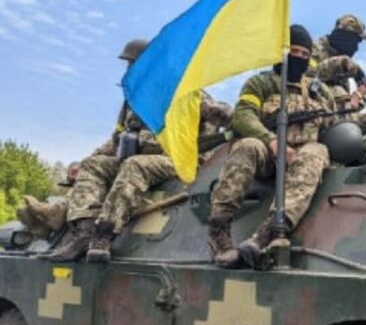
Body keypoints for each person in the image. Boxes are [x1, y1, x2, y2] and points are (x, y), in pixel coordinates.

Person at [42, 40, 231, 263]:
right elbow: (117, 139)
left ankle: (104, 235)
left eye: (133, 64)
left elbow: (221, 114)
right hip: (140, 159)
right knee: (94, 165)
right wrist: (85, 161)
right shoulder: (133, 100)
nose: (129, 69)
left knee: (134, 164)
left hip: (180, 160)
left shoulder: (183, 91)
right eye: (128, 65)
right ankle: (84, 232)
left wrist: (230, 116)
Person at [208, 24, 337, 269]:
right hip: (267, 153)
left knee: (317, 151)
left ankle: (265, 236)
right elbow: (243, 115)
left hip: (301, 159)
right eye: (294, 51)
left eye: (304, 54)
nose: (299, 57)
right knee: (247, 145)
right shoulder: (261, 83)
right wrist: (271, 140)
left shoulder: (320, 92)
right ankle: (219, 232)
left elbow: (336, 125)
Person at [310, 15, 366, 130]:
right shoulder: (315, 49)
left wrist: (357, 96)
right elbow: (309, 76)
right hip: (315, 117)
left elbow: (346, 104)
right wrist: (340, 62)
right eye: (356, 40)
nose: (356, 47)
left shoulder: (345, 59)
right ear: (344, 35)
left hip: (342, 122)